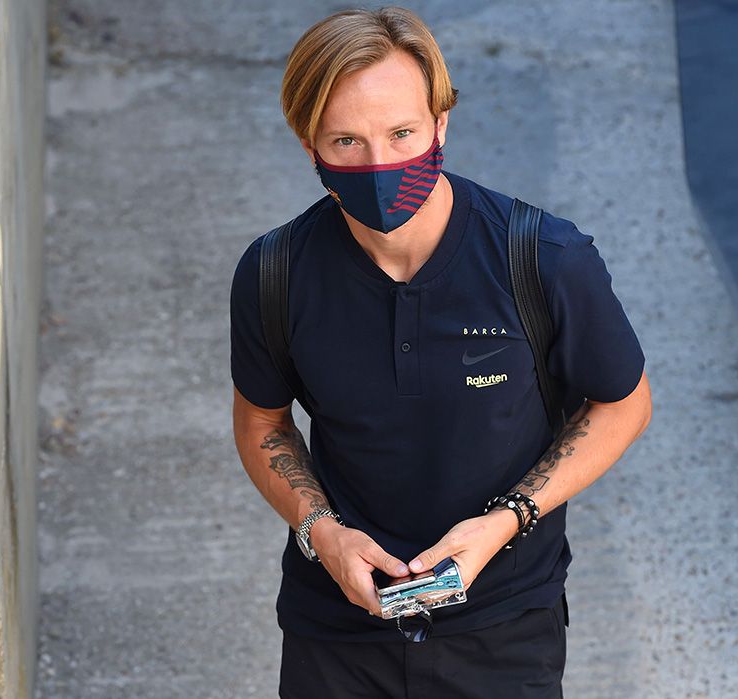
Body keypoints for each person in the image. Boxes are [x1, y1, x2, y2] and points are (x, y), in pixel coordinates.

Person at [229, 7, 652, 698]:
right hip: (334, 630)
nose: (379, 164)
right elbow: (262, 423)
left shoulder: (543, 259)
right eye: (347, 140)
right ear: (309, 143)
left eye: (402, 133)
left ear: (441, 123)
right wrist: (321, 532)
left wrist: (505, 520)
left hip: (506, 626)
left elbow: (624, 404)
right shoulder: (275, 273)